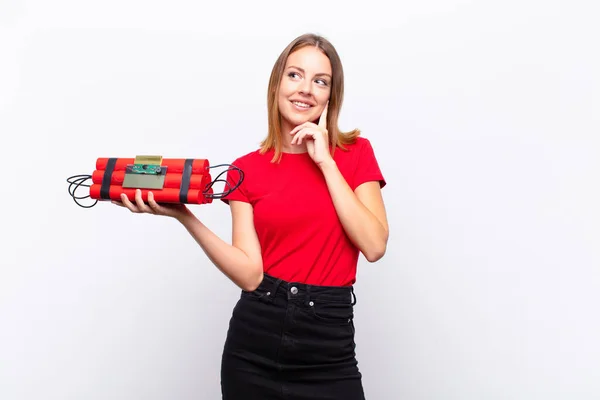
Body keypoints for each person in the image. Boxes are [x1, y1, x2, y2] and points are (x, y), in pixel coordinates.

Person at [112, 33, 388, 400]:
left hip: (328, 346)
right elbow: (250, 274)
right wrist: (185, 216)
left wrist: (325, 162)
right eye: (295, 75)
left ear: (329, 97)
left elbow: (374, 245)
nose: (305, 89)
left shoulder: (354, 153)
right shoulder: (246, 170)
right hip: (254, 343)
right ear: (276, 85)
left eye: (320, 81)